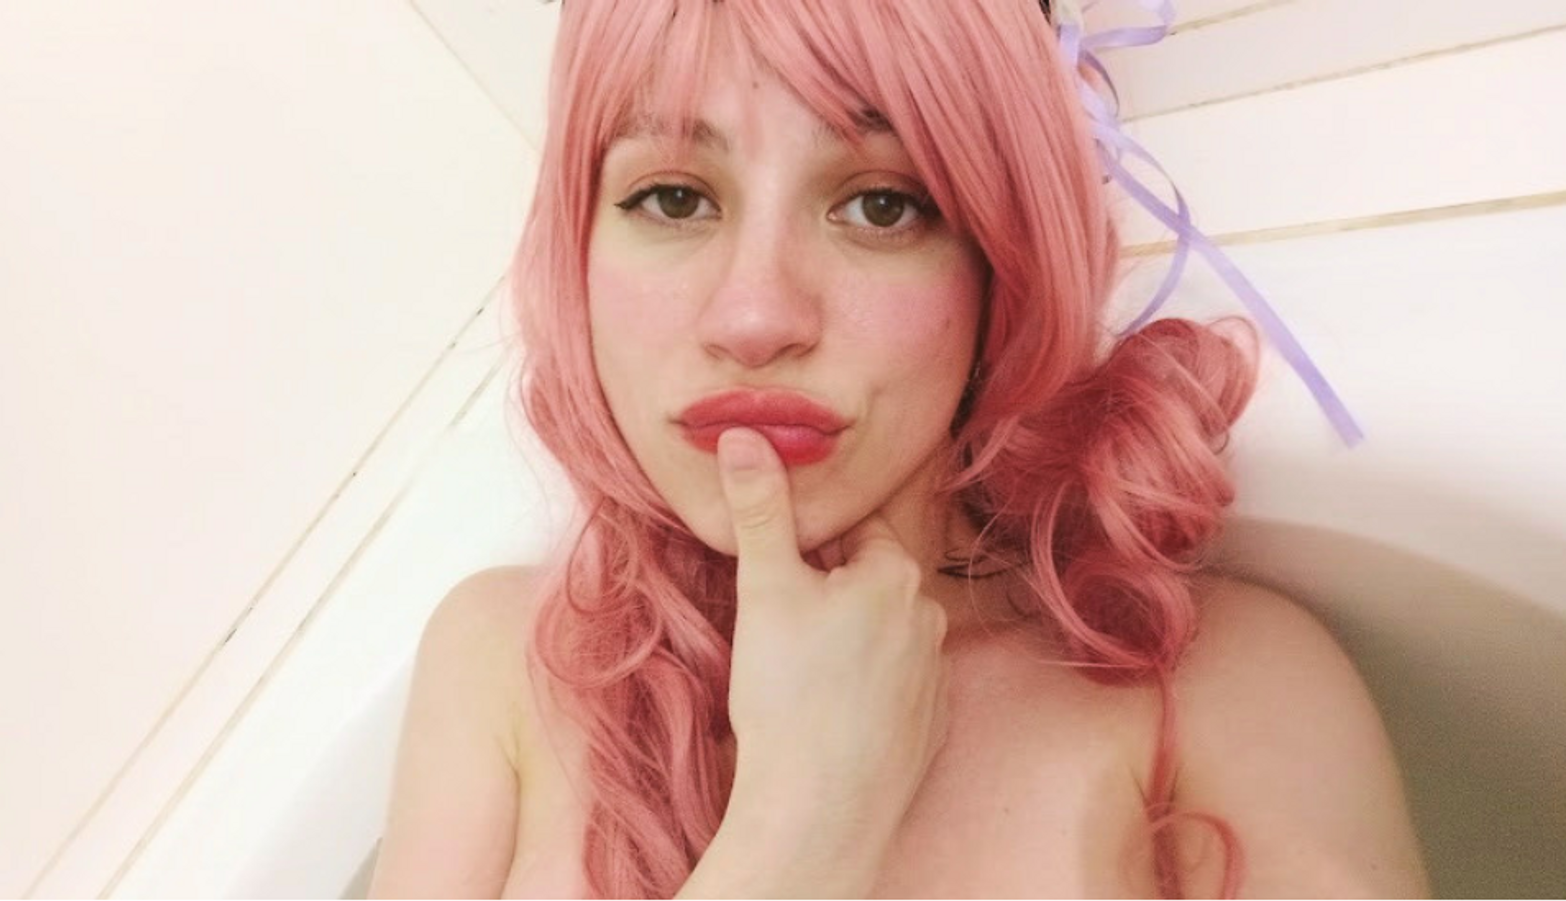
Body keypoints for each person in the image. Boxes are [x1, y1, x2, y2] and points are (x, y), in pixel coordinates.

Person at [368, 0, 1430, 897]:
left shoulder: (1218, 692)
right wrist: (798, 827)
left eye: (880, 205)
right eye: (674, 197)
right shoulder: (504, 665)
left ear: (999, 266)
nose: (753, 316)